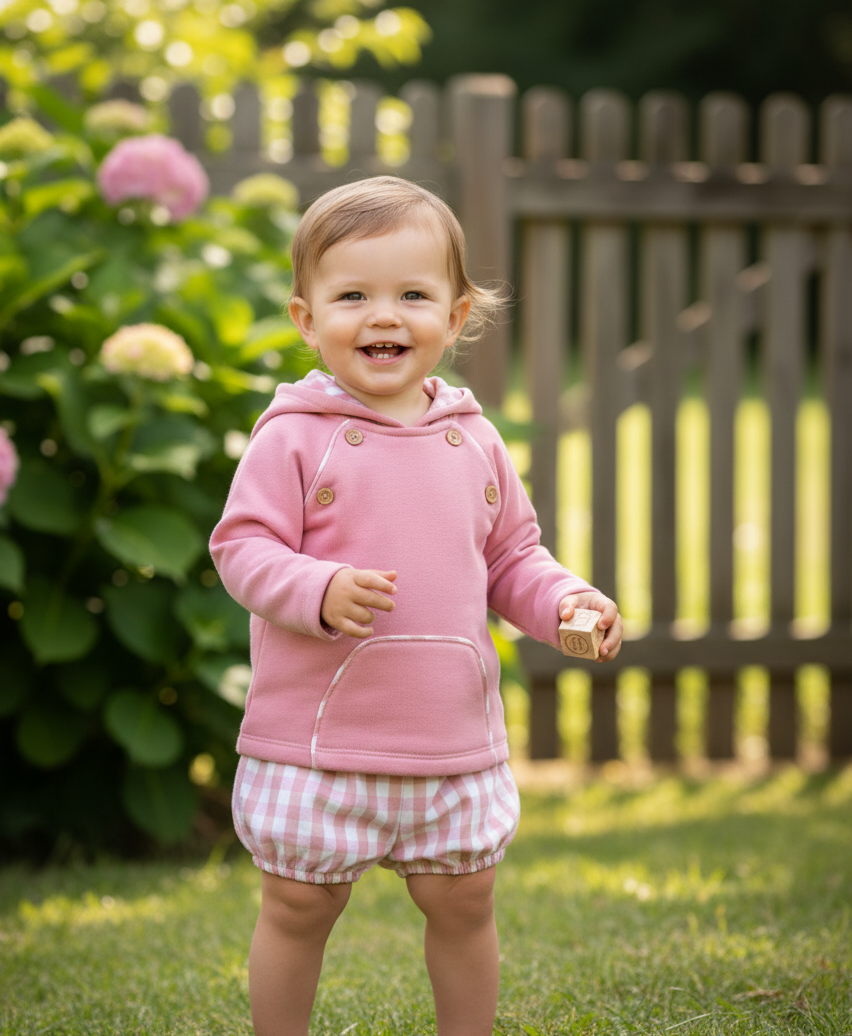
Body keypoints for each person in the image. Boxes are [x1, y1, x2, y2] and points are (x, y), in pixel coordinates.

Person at [210, 175, 622, 1036]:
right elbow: (241, 550)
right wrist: (317, 589)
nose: (383, 316)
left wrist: (566, 603)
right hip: (319, 741)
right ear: (305, 318)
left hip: (449, 739)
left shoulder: (473, 439)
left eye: (412, 295)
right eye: (352, 295)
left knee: (465, 900)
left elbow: (512, 556)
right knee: (297, 905)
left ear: (458, 313)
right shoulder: (292, 434)